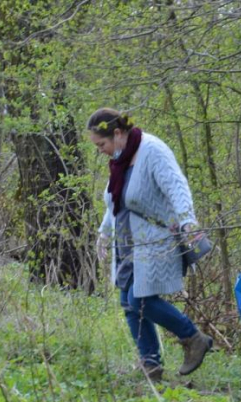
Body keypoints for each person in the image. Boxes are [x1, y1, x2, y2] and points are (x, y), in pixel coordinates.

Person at [89, 108, 212, 382]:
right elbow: (115, 200)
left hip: (155, 237)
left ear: (117, 134)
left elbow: (177, 187)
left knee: (140, 299)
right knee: (127, 301)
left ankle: (193, 337)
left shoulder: (152, 150)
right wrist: (105, 232)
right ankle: (150, 363)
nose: (100, 150)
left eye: (101, 144)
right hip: (127, 241)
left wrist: (188, 221)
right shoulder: (120, 160)